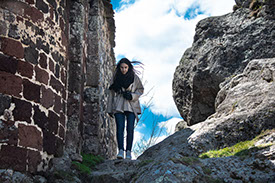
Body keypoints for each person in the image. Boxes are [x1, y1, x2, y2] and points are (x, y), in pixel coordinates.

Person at [107, 58, 144, 160]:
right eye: (122, 67)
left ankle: (128, 152)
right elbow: (111, 94)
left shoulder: (134, 78)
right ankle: (120, 151)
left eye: (125, 67)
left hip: (131, 105)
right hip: (119, 105)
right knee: (120, 128)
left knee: (130, 129)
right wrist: (109, 109)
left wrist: (132, 96)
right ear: (119, 68)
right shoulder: (115, 78)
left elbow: (140, 89)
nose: (123, 69)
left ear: (129, 67)